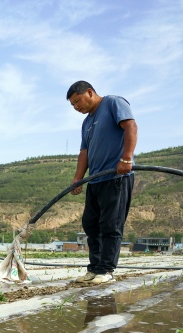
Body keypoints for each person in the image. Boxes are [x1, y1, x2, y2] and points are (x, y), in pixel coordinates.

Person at [67, 81, 137, 284]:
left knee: (110, 225)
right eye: (73, 105)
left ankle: (106, 270)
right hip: (95, 180)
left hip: (116, 177)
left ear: (89, 92)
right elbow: (84, 152)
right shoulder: (87, 122)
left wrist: (126, 159)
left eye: (77, 101)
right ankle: (94, 268)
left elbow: (130, 126)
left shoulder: (113, 103)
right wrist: (78, 178)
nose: (76, 107)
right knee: (91, 225)